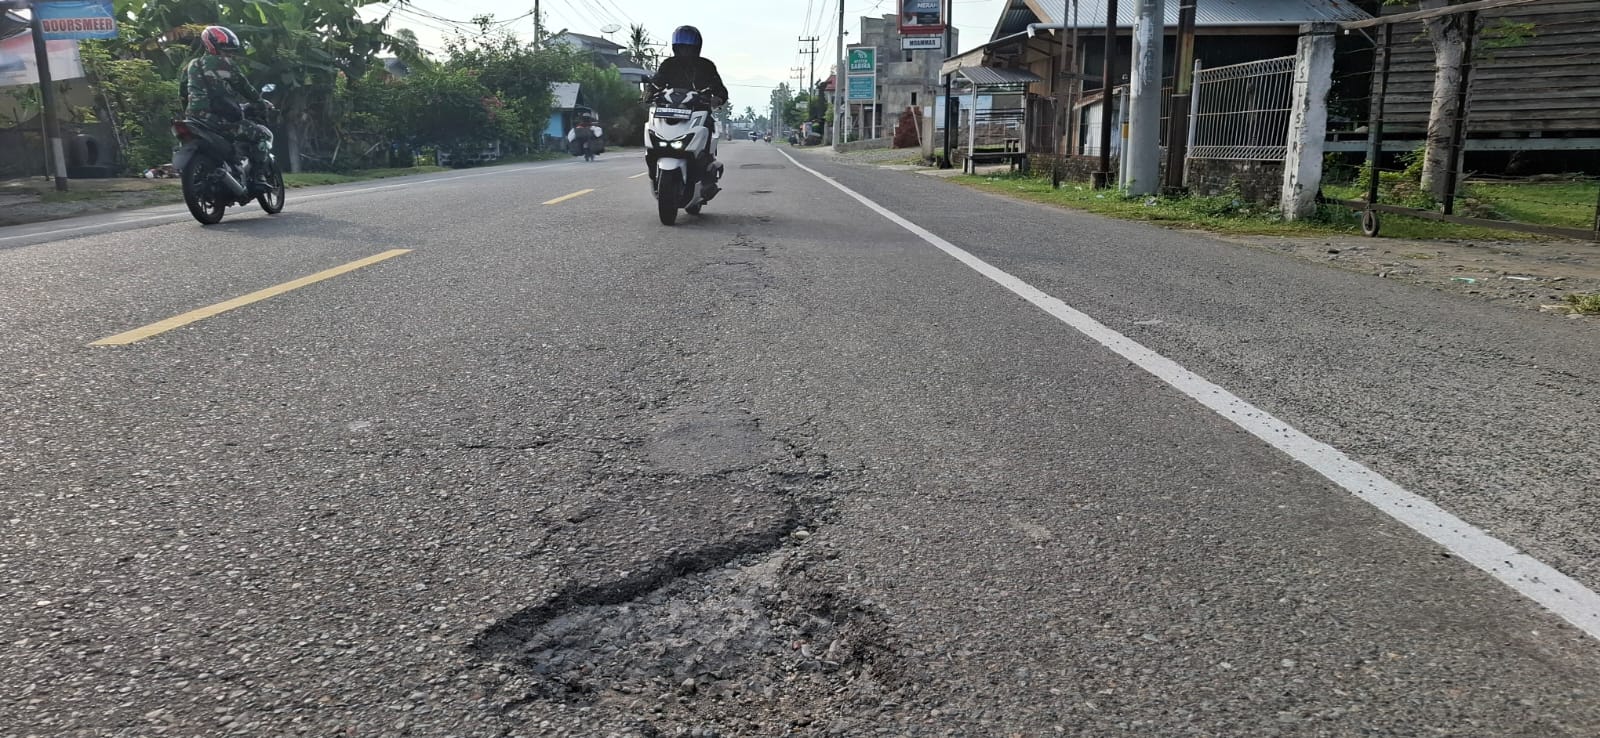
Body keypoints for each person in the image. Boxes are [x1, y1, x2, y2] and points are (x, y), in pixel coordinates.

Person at [179, 26, 272, 192]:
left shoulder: (190, 66)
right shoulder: (225, 64)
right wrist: (259, 103)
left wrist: (190, 111)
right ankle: (259, 178)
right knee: (261, 136)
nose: (229, 54)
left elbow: (182, 93)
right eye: (226, 50)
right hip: (219, 121)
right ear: (214, 46)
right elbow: (245, 87)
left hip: (194, 118)